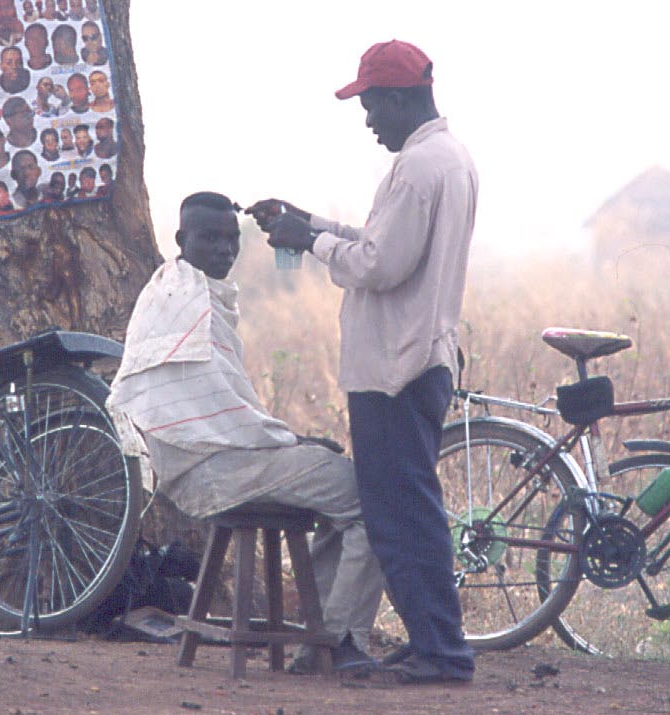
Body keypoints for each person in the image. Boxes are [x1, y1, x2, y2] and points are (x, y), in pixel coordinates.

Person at [246, 40, 478, 685]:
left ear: (399, 98)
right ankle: (437, 640)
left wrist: (309, 242)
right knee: (411, 509)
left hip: (394, 367)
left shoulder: (417, 168)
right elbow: (385, 244)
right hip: (421, 357)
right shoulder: (448, 159)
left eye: (372, 105)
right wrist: (312, 222)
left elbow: (379, 265)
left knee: (399, 517)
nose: (370, 120)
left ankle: (442, 653)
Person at [108, 191, 385, 675]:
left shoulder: (176, 289)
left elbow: (221, 406)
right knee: (377, 499)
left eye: (231, 239)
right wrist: (289, 441)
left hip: (214, 461)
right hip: (210, 469)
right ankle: (340, 642)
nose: (224, 250)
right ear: (182, 240)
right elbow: (224, 417)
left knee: (346, 499)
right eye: (210, 238)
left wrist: (285, 440)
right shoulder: (184, 299)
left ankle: (316, 642)